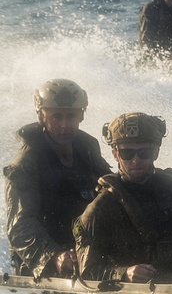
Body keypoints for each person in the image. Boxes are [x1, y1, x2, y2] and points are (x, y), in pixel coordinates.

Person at [73, 112, 172, 284]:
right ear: (115, 155)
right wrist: (123, 273)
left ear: (156, 152)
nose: (136, 160)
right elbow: (87, 271)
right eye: (127, 153)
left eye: (144, 152)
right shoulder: (102, 208)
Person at [4, 79, 111, 278]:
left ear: (81, 116)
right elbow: (20, 227)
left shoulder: (87, 150)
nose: (64, 125)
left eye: (71, 116)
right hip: (45, 269)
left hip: (88, 253)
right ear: (42, 117)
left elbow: (110, 190)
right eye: (56, 117)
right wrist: (54, 256)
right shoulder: (25, 164)